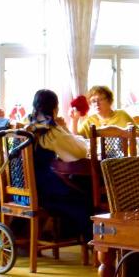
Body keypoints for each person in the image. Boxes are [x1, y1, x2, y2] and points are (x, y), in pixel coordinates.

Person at [25, 89, 93, 241]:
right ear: (55, 109)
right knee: (86, 198)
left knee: (75, 190)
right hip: (42, 191)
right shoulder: (50, 130)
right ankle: (93, 243)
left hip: (24, 190)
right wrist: (63, 128)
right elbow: (80, 152)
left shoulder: (26, 125)